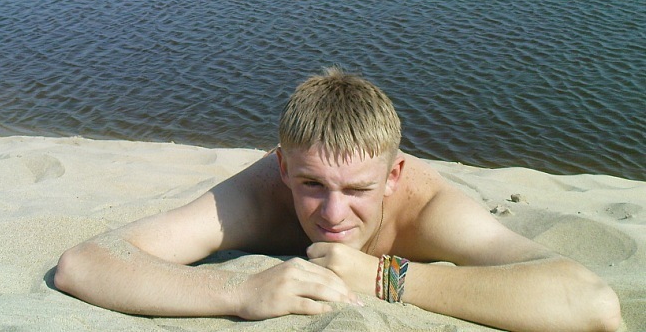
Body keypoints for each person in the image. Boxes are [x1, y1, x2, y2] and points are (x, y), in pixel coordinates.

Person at [55, 68, 621, 332]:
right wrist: (239, 290)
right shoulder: (259, 195)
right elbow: (86, 263)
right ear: (282, 167)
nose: (331, 213)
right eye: (311, 185)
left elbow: (589, 301)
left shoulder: (429, 210)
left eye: (357, 190)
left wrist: (386, 278)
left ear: (394, 176)